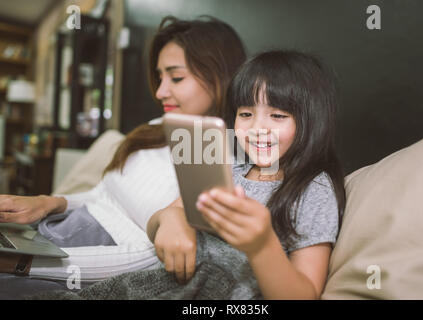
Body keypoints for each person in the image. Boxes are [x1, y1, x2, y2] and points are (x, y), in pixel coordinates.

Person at [0, 15, 246, 295]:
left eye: (176, 77)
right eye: (160, 77)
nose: (161, 91)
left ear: (220, 76)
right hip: (52, 235)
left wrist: (21, 265)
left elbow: (152, 260)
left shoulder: (226, 157)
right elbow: (102, 195)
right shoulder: (155, 128)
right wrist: (48, 203)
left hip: (82, 265)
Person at [147, 50, 347, 299]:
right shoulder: (229, 167)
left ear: (310, 122)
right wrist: (170, 218)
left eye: (277, 116)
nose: (256, 128)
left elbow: (305, 295)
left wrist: (262, 245)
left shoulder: (313, 189)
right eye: (245, 114)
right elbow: (158, 221)